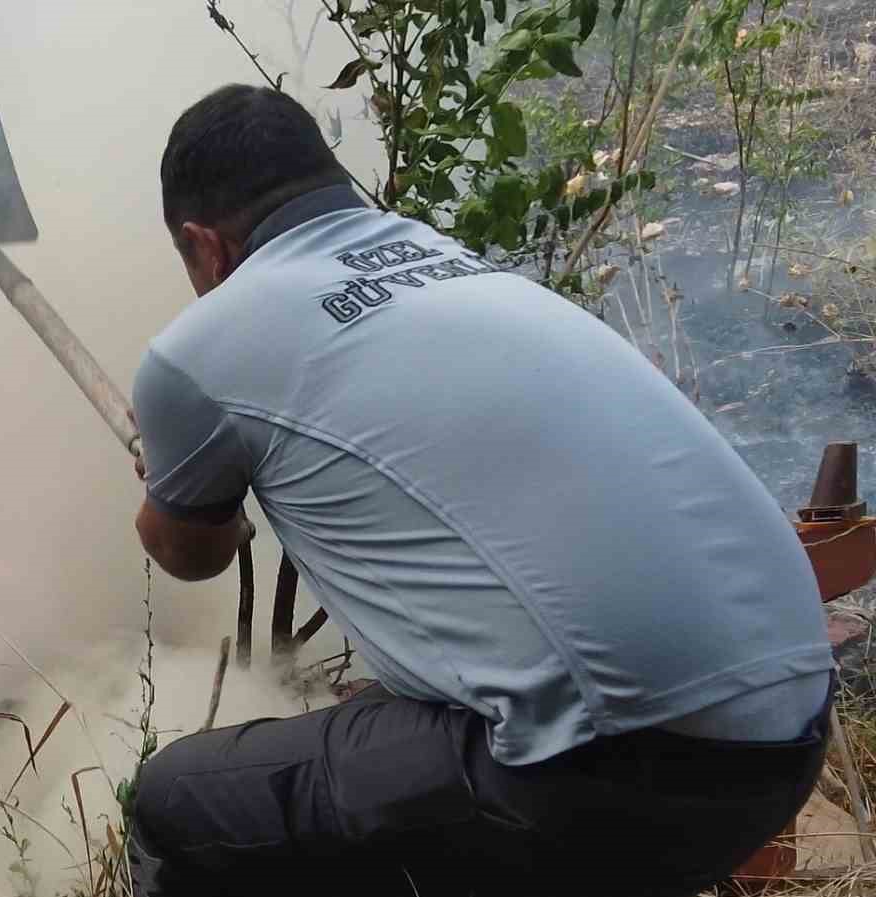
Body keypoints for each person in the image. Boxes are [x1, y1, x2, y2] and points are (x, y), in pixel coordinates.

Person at [126, 84, 834, 897]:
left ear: (204, 245)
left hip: (616, 776)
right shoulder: (451, 262)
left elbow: (191, 553)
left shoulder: (197, 351)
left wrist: (172, 478)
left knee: (173, 802)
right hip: (790, 730)